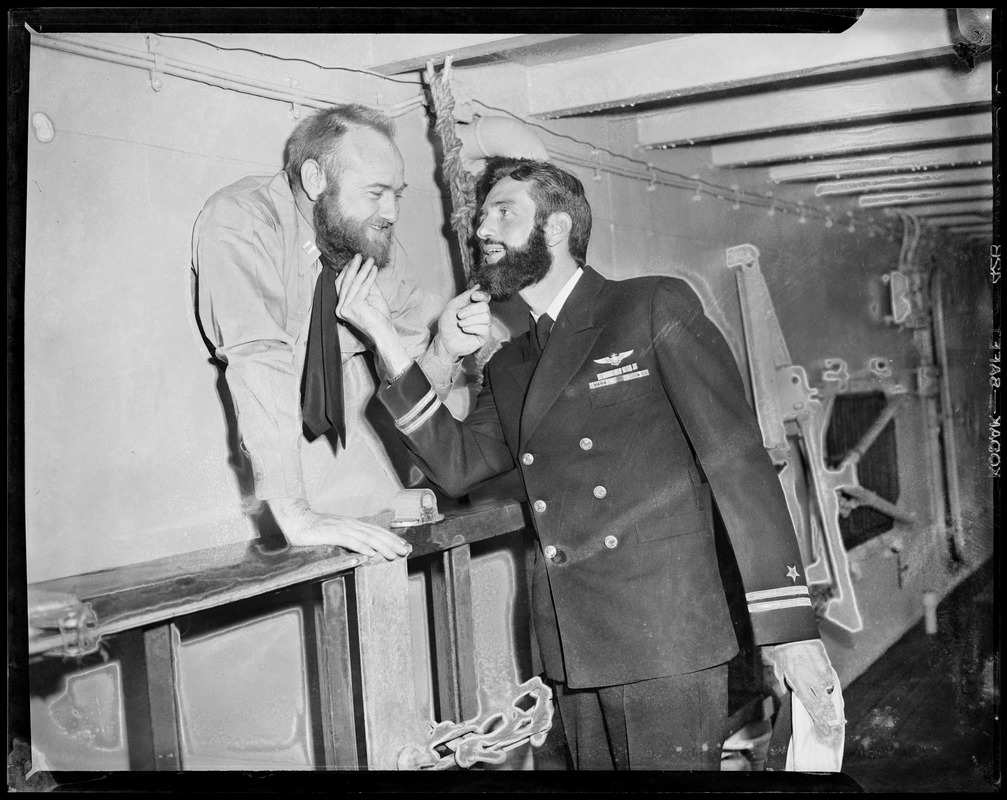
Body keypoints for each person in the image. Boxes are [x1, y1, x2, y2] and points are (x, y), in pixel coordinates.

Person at [334, 157, 843, 770]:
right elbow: (459, 467)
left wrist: (790, 632)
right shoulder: (511, 362)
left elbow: (741, 468)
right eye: (483, 216)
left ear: (555, 228)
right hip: (573, 646)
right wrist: (390, 340)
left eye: (503, 212)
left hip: (664, 639)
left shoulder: (652, 305)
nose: (482, 231)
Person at [192, 104, 472, 560]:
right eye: (377, 192)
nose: (391, 213)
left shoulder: (367, 241)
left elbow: (415, 365)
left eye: (397, 195)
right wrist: (298, 517)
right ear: (316, 179)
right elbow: (260, 357)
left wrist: (444, 350)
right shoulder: (242, 219)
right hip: (272, 485)